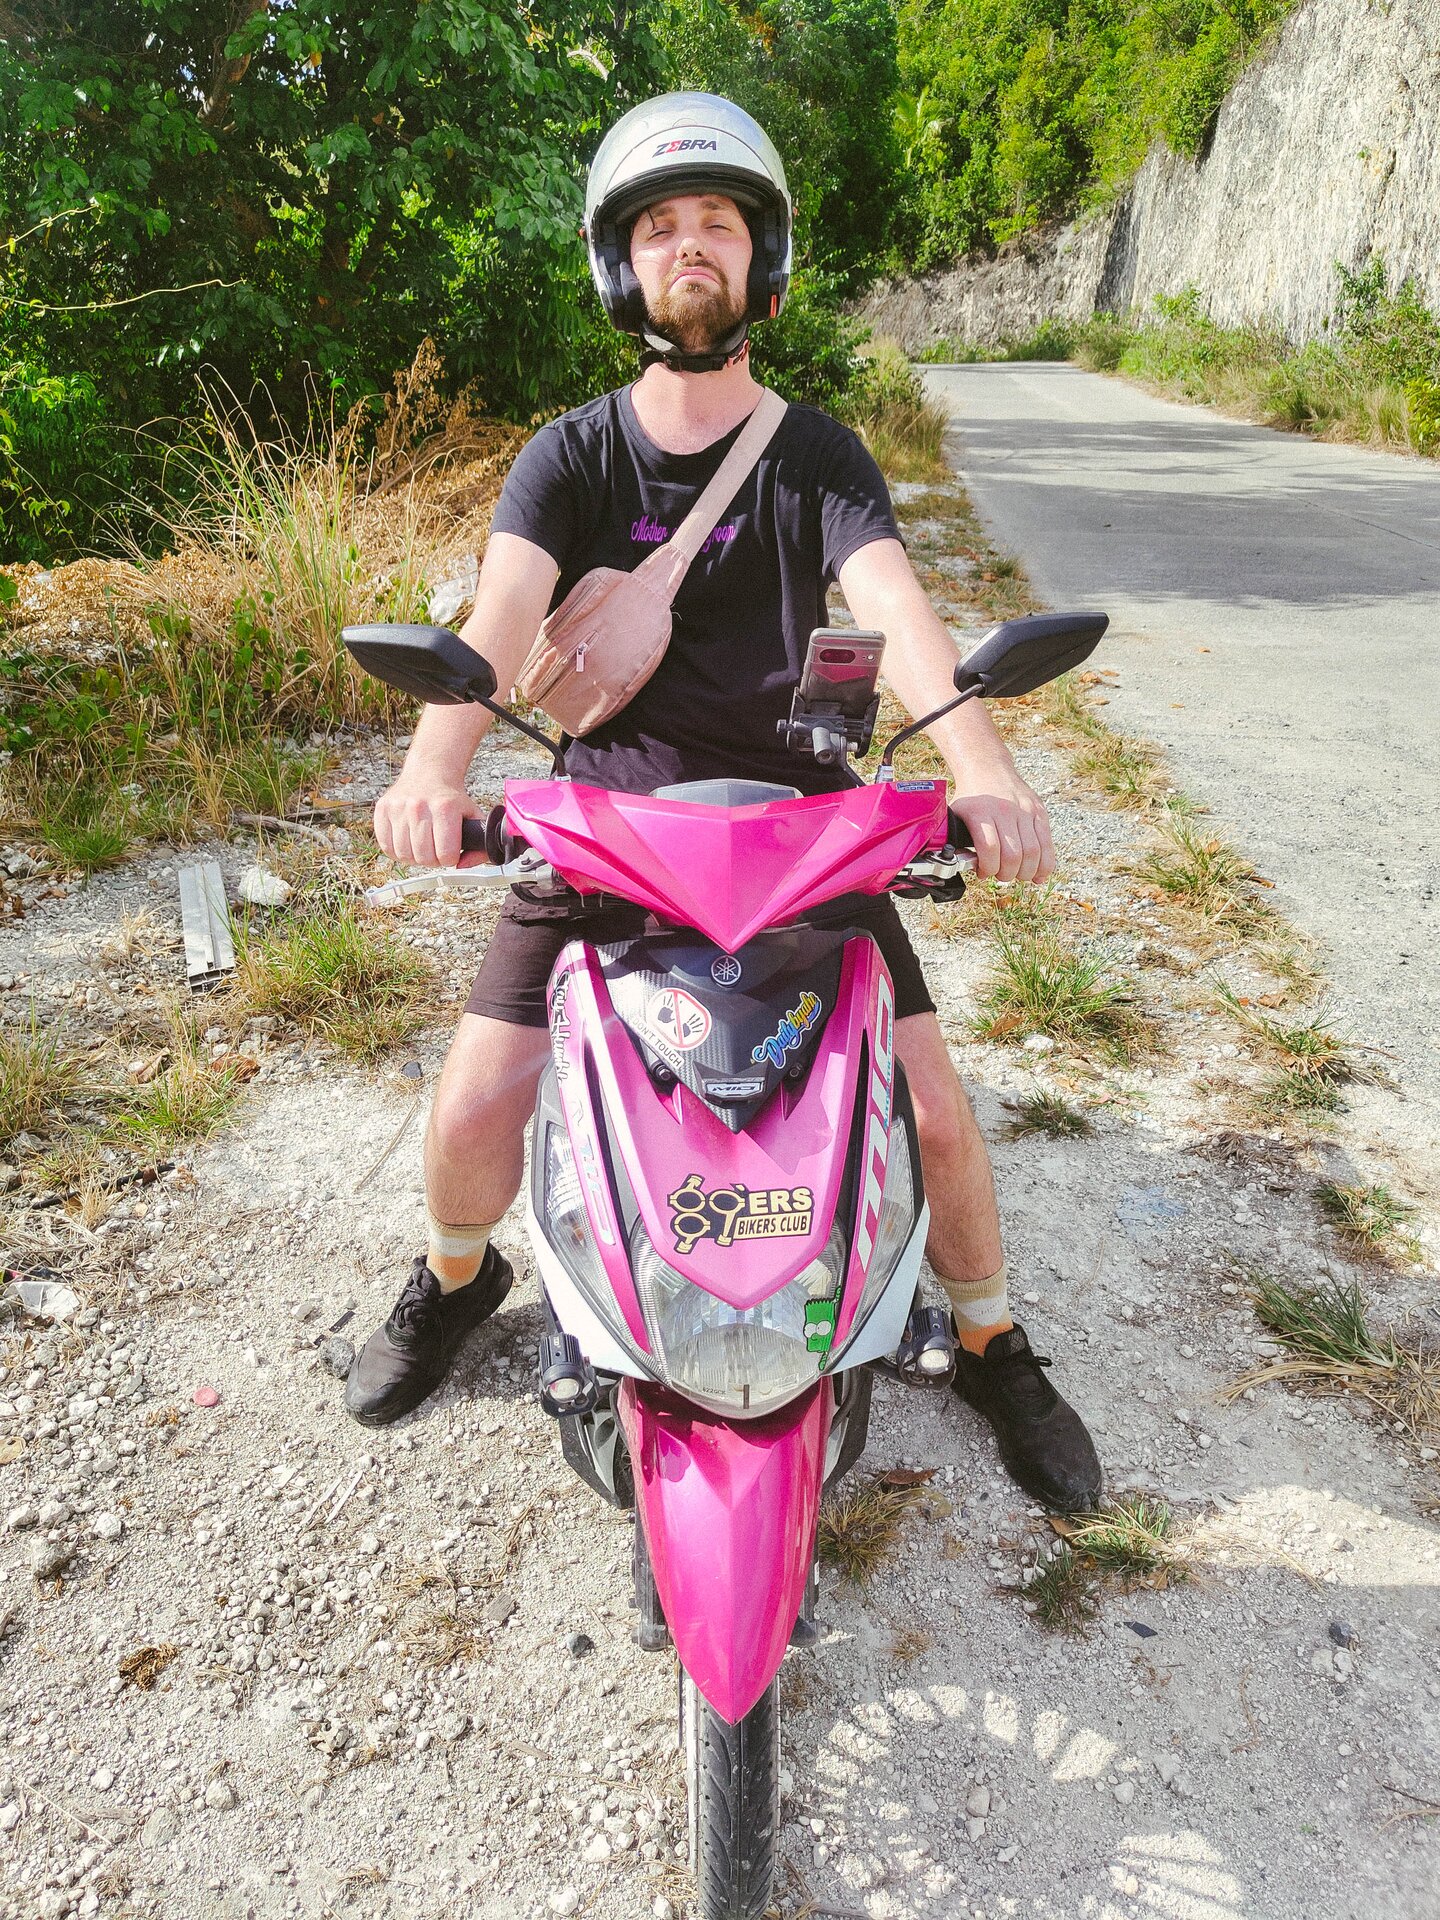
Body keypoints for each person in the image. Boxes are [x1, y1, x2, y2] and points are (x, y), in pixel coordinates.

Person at [344, 93, 1101, 1511]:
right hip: (606, 832)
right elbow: (500, 623)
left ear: (764, 260)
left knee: (932, 1114)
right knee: (476, 1099)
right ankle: (459, 1275)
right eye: (659, 226)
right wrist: (431, 773)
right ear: (619, 267)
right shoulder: (567, 456)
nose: (690, 246)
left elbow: (905, 615)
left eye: (718, 223)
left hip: (804, 835)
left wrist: (985, 771)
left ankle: (988, 1332)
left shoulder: (818, 456)